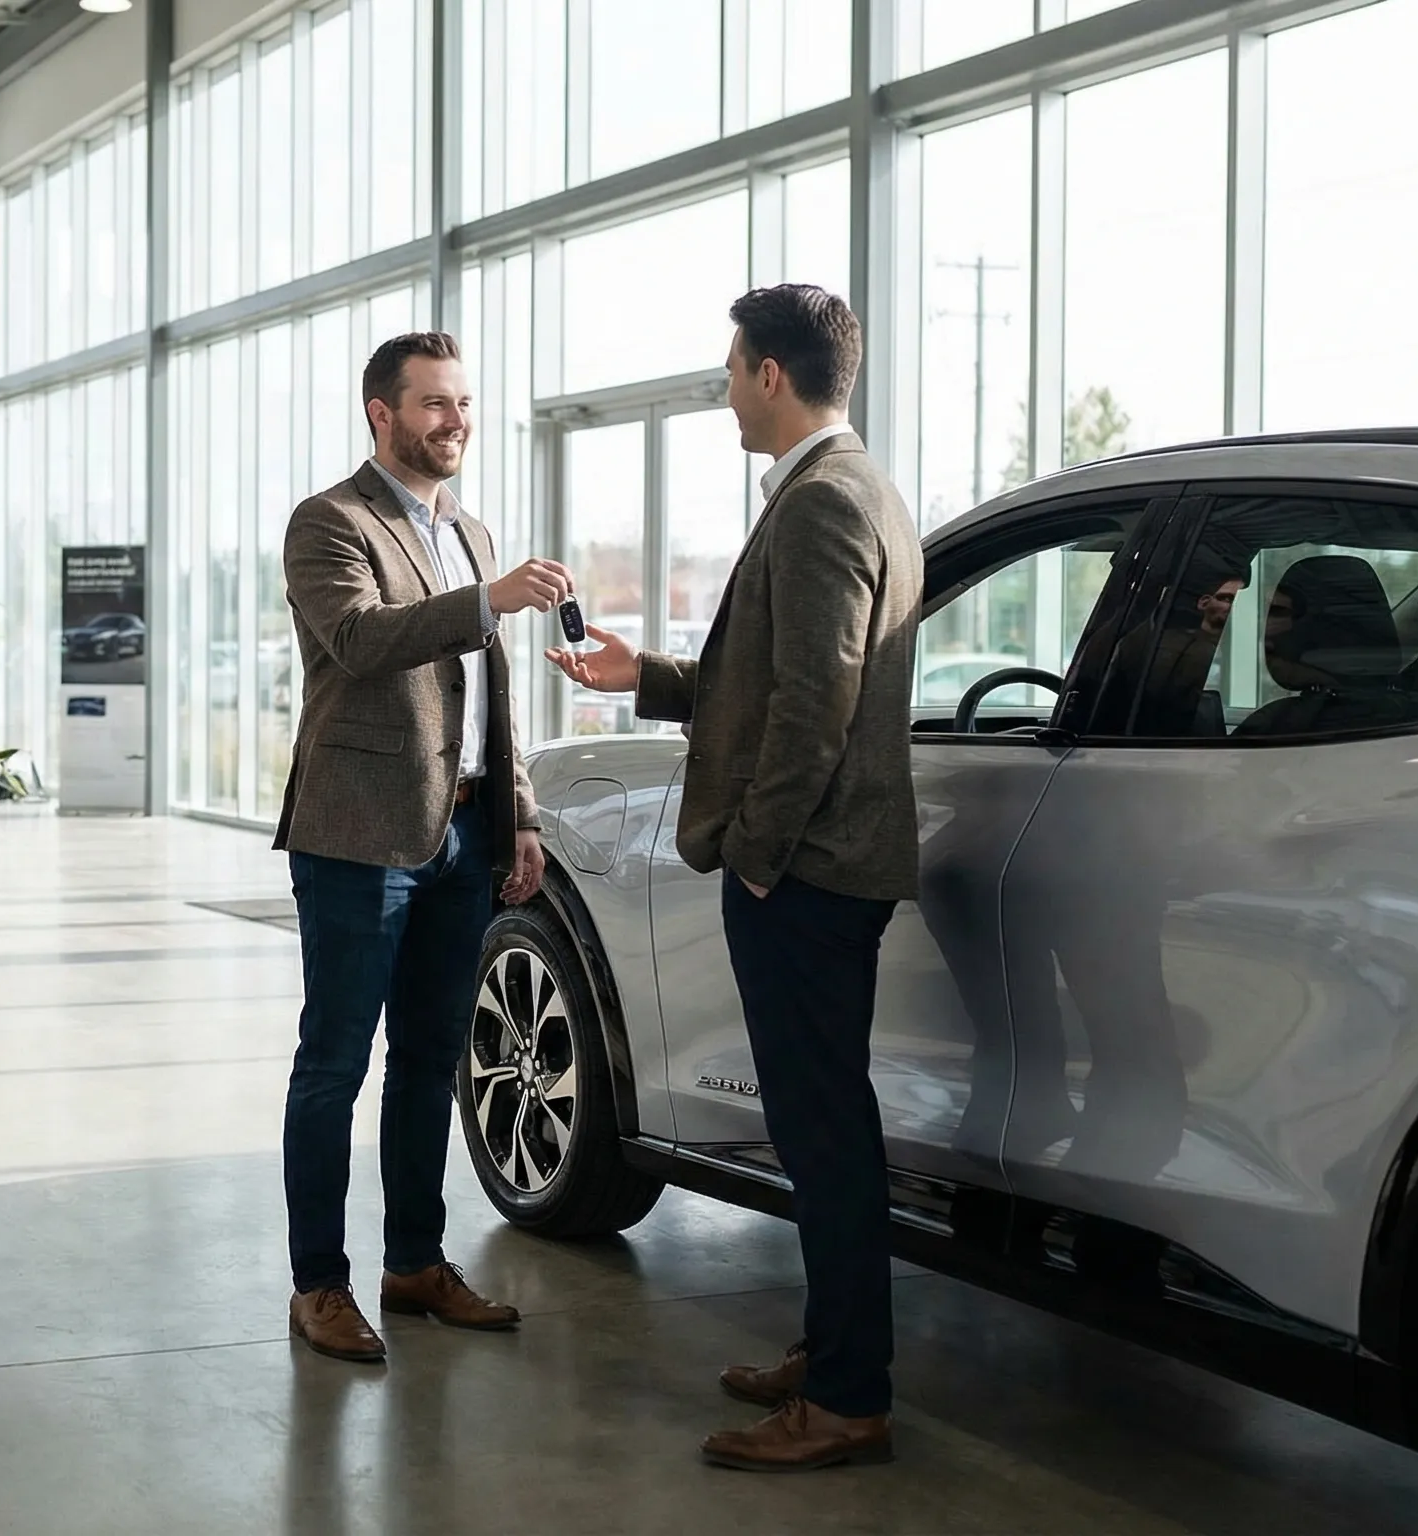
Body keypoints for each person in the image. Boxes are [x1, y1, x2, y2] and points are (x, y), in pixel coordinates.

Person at [550, 285, 922, 1471]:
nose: (722, 387)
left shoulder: (821, 504)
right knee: (820, 1129)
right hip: (817, 869)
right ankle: (830, 1349)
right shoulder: (850, 489)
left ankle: (848, 1398)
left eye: (729, 367)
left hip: (805, 874)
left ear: (771, 373)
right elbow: (771, 677)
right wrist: (646, 675)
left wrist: (756, 857)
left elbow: (815, 706)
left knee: (823, 1135)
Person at [274, 331, 570, 1364]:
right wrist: (482, 602)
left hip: (465, 834)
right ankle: (318, 1284)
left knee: (431, 1060)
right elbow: (357, 642)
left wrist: (520, 815)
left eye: (463, 402)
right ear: (381, 414)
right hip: (360, 835)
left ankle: (413, 1262)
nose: (455, 422)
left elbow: (493, 698)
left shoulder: (472, 534)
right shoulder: (329, 522)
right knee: (334, 1064)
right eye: (433, 405)